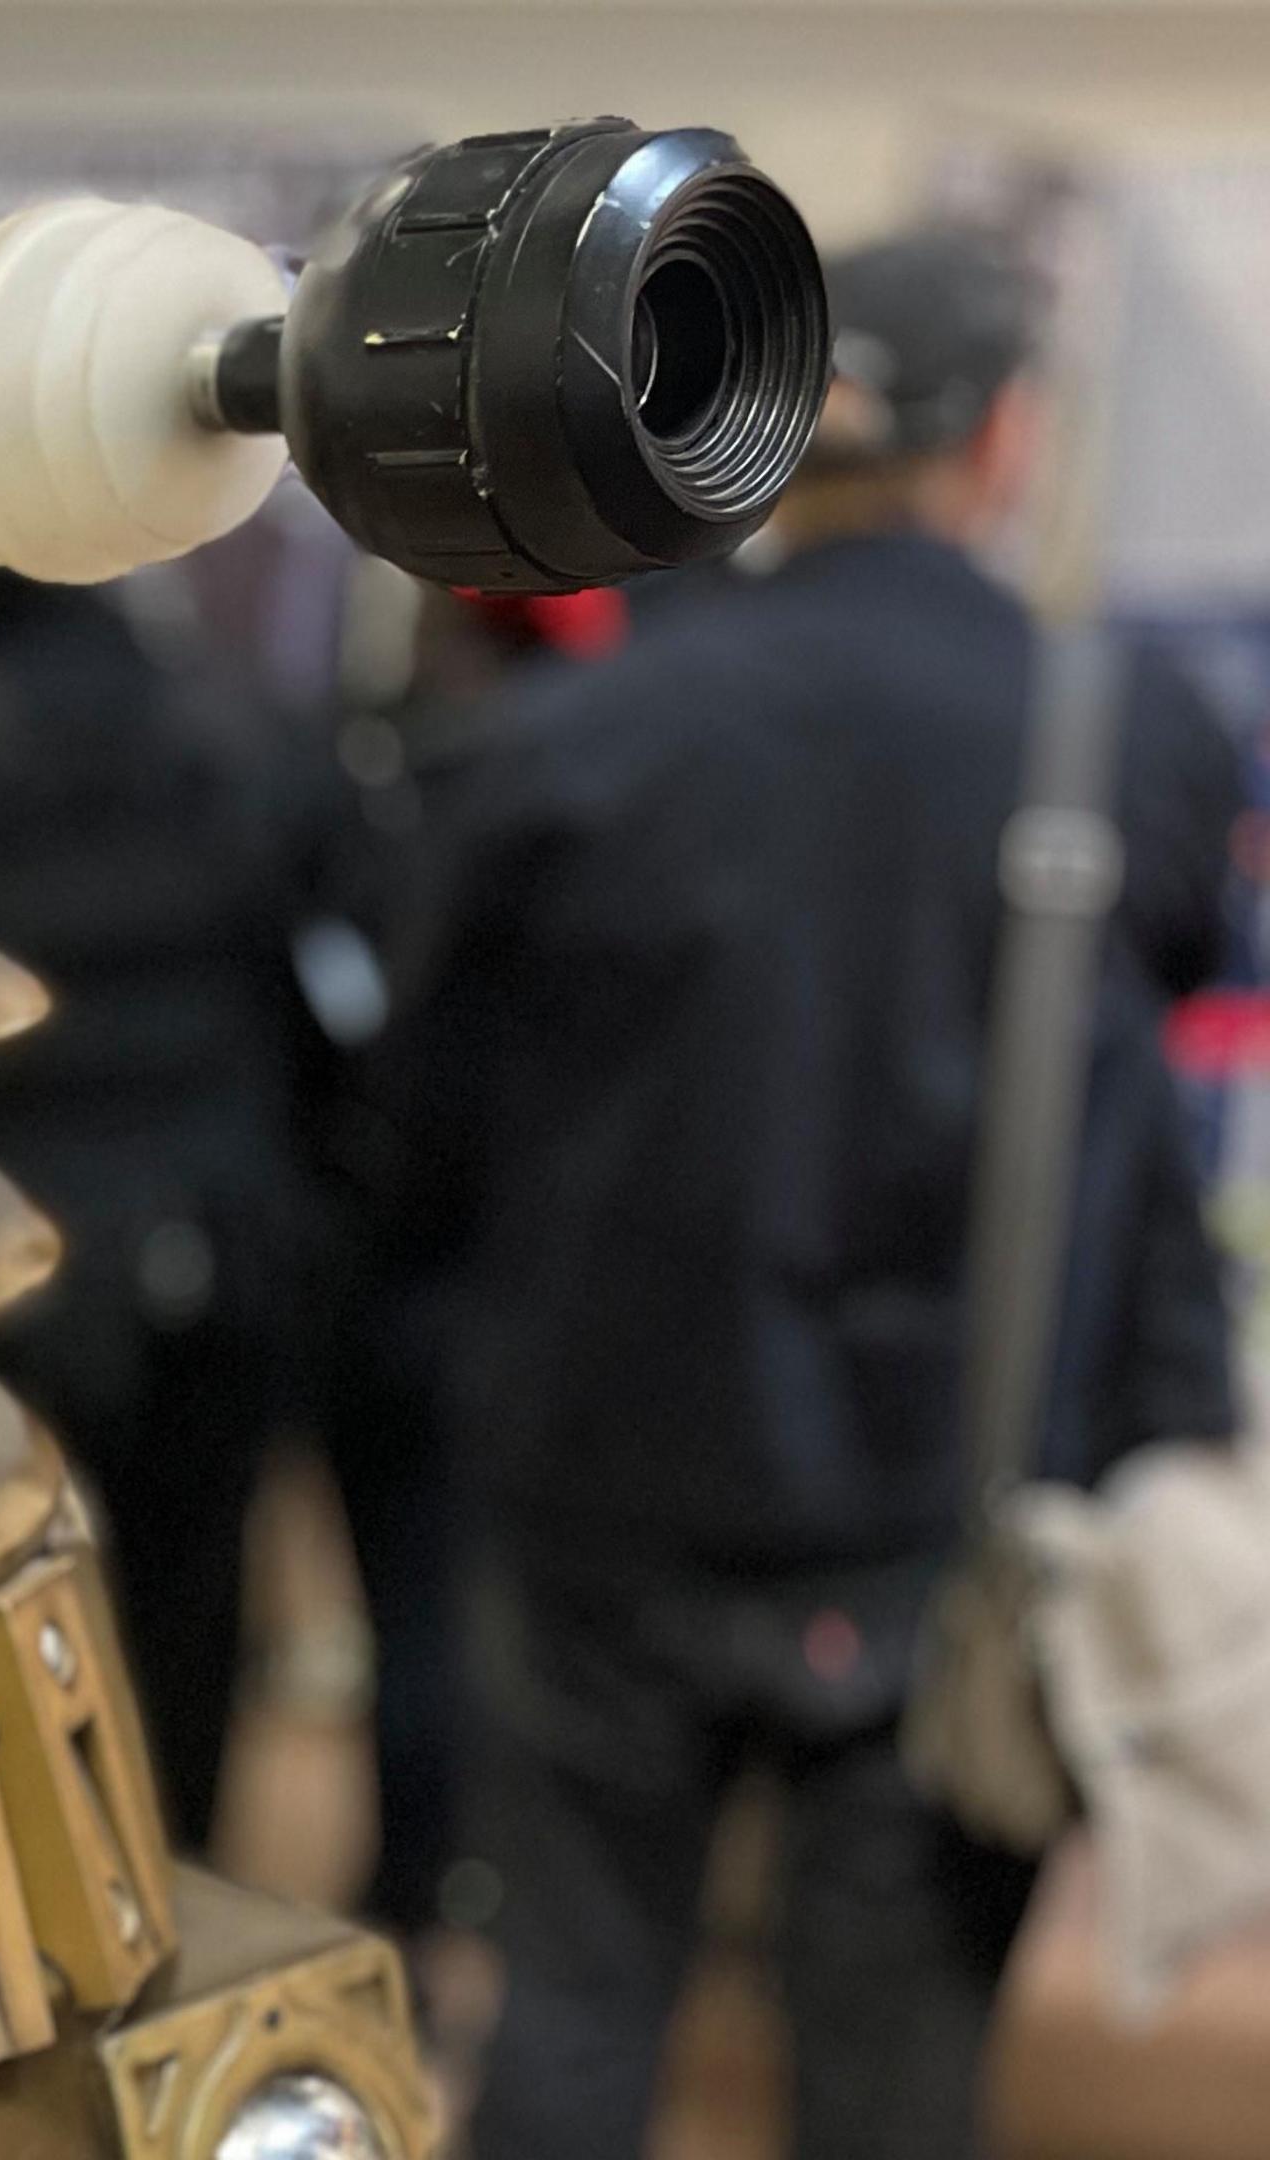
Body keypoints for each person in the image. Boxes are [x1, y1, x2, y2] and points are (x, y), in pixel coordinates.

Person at [381, 232, 1244, 2158]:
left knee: (578, 2014)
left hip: (598, 1489)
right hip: (953, 1506)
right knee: (897, 2062)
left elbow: (420, 1140)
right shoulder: (1130, 737)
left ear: (753, 446)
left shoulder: (568, 740)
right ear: (1010, 439)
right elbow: (1134, 1096)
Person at [0, 548, 330, 1848]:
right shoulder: (233, 723)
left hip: (11, 1272)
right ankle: (173, 1877)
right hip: (215, 1246)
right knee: (189, 1612)